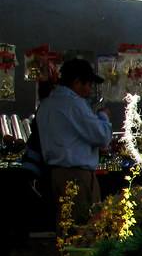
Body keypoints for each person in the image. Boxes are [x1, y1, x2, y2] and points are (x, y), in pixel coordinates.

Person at [36, 58, 112, 223]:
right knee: (85, 228)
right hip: (77, 176)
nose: (90, 89)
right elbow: (102, 137)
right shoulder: (74, 104)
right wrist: (104, 117)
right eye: (89, 84)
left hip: (56, 174)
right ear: (77, 82)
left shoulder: (47, 104)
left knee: (66, 227)